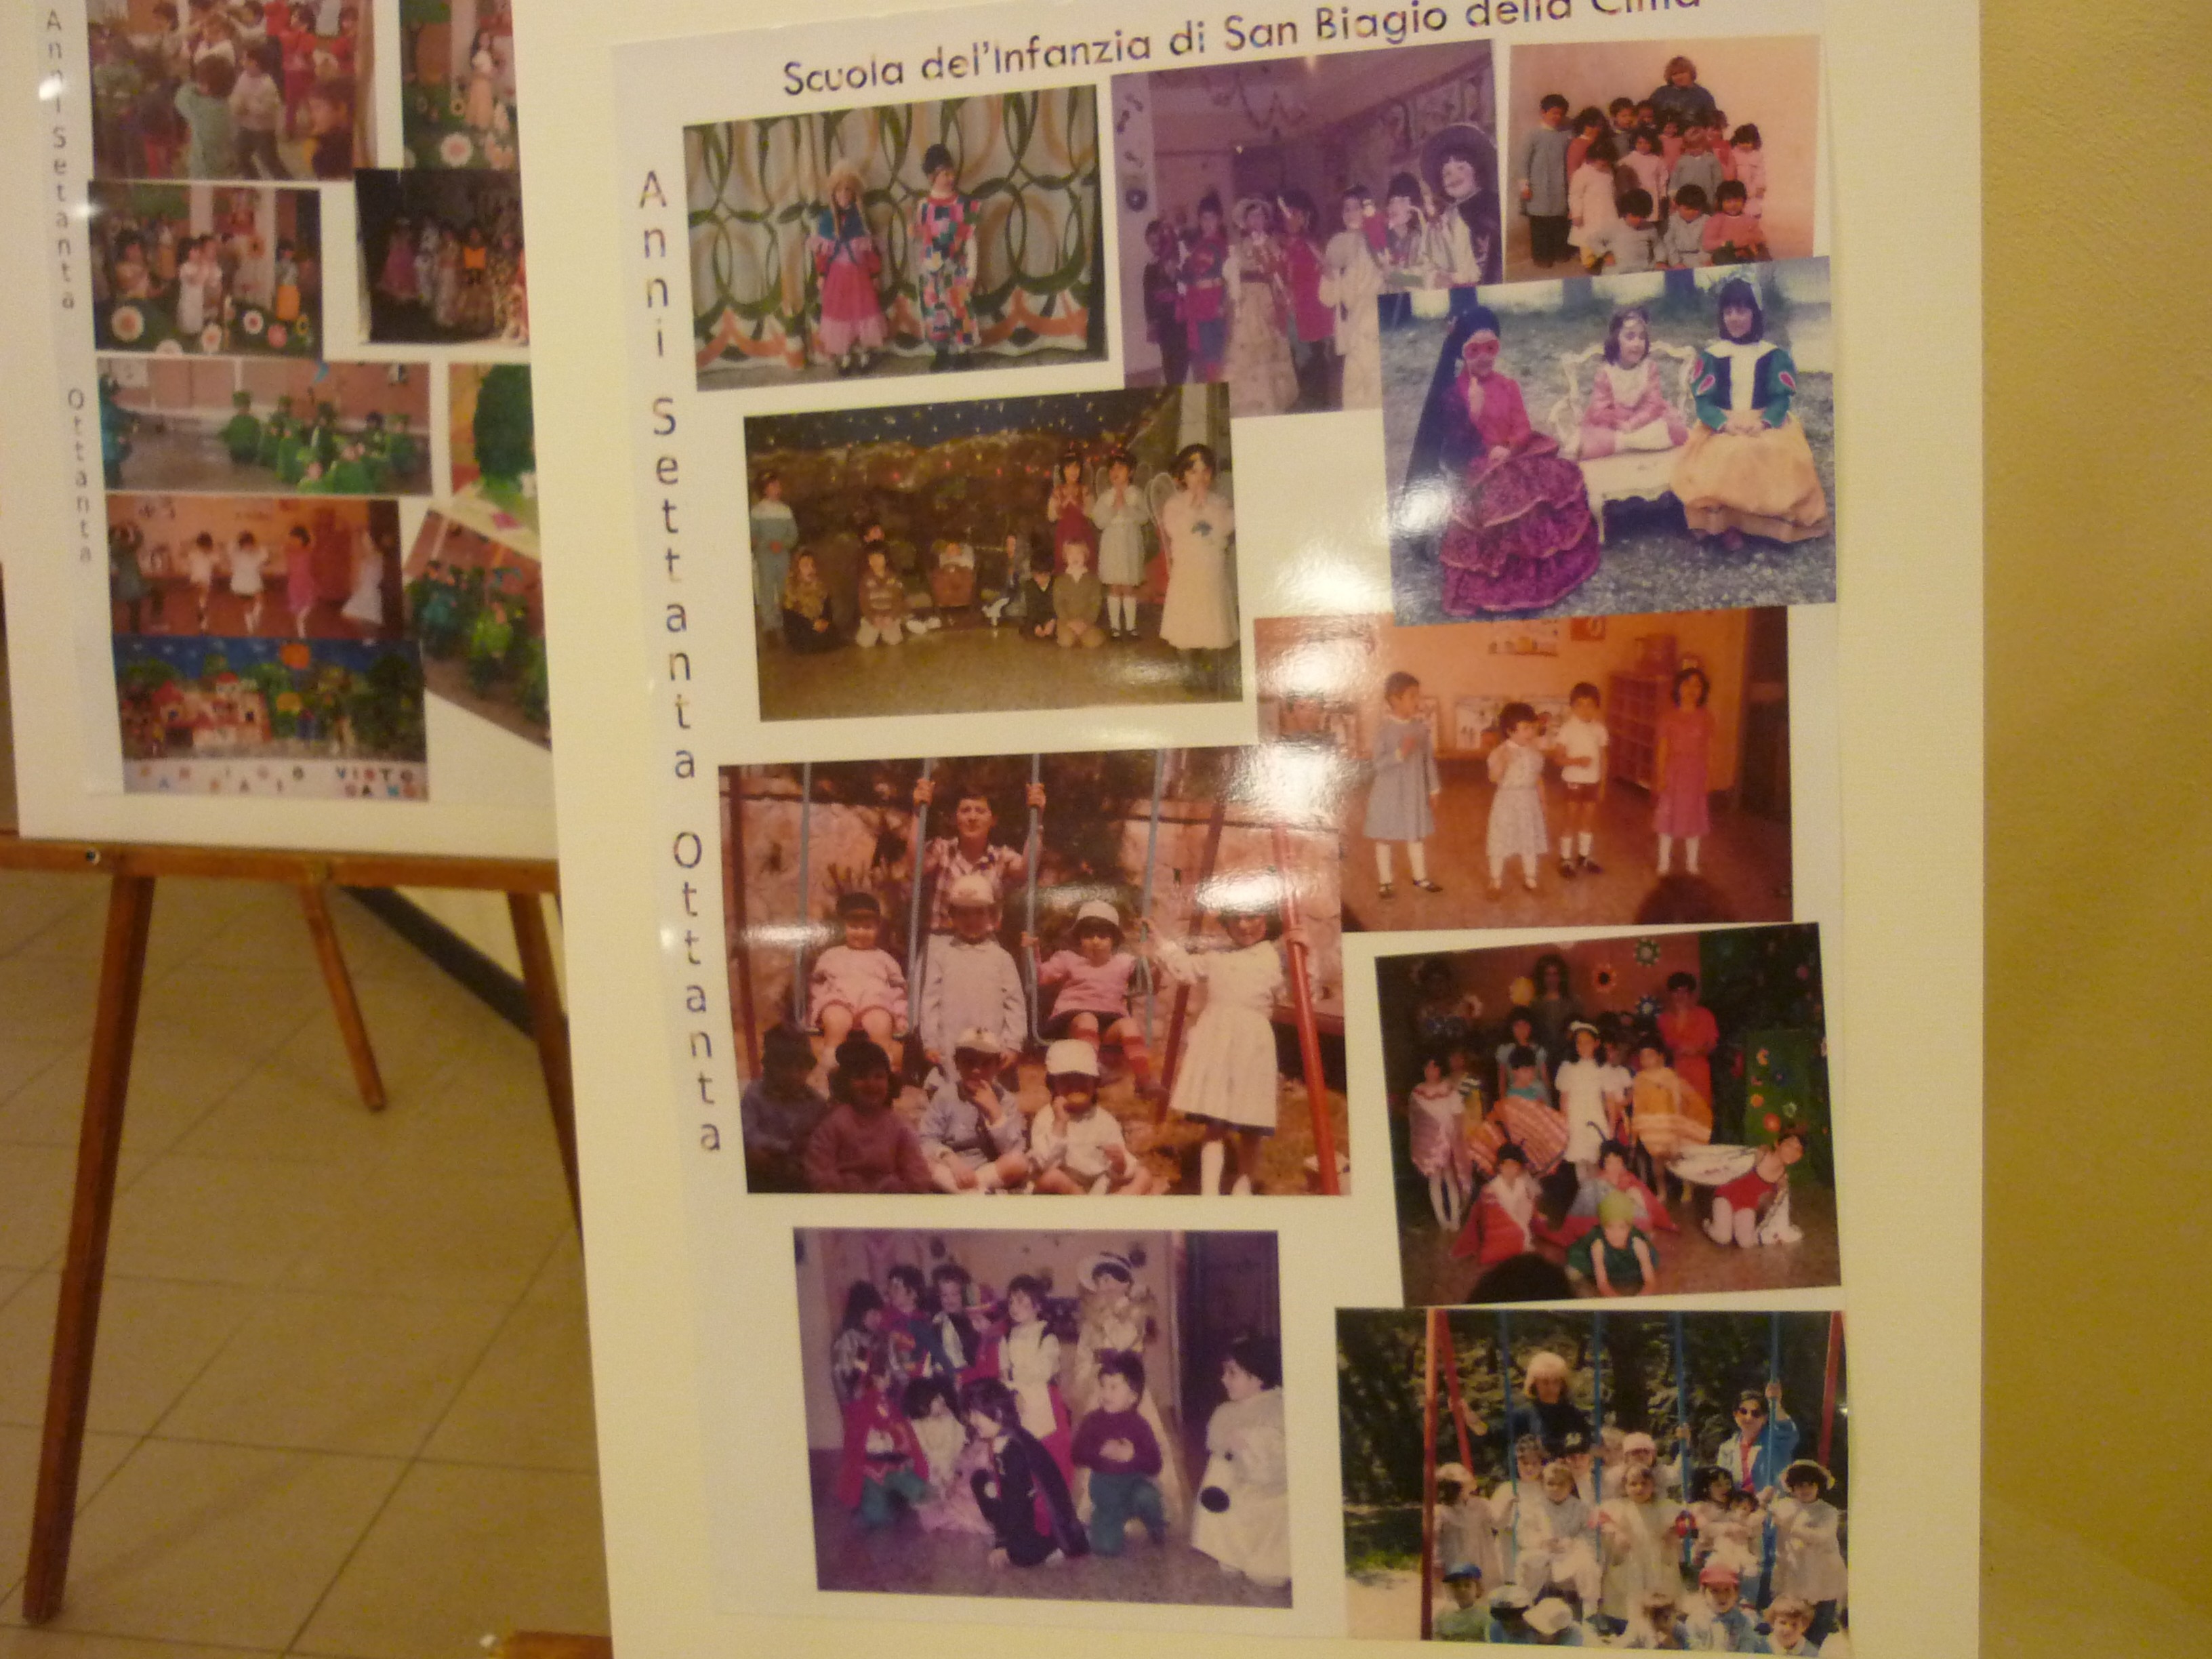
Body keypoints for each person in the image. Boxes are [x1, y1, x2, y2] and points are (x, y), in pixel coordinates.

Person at [1408, 307, 1600, 617]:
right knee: (1503, 501)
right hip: (1478, 465)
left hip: (1515, 456)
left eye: (1491, 348)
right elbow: (1456, 448)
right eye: (1474, 351)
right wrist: (1473, 411)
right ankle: (1505, 570)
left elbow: (1522, 425)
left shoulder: (1509, 386)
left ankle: (1539, 565)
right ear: (1461, 352)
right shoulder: (1454, 395)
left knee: (1548, 483)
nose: (1484, 357)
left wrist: (1510, 448)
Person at [1145, 885, 1292, 1196]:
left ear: (1267, 918)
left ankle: (1243, 1185)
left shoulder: (1275, 956)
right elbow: (1185, 968)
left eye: (1253, 917)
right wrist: (1161, 941)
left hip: (1253, 1044)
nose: (1244, 925)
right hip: (1219, 1042)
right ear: (1226, 923)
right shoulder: (1217, 957)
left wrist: (1302, 951)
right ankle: (1210, 1193)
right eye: (1236, 919)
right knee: (1216, 1121)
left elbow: (1299, 989)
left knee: (1251, 1124)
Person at [1190, 1334, 1289, 1588]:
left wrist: (1252, 1444)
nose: (1224, 1379)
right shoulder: (1225, 1412)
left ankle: (1269, 1560)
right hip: (1237, 1483)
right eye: (1224, 1372)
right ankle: (1230, 1550)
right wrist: (1230, 1450)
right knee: (1218, 1466)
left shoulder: (1278, 1408)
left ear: (1257, 1378)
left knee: (1266, 1570)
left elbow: (1281, 1456)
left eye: (1232, 1373)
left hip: (1273, 1486)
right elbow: (1218, 1447)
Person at [961, 1376, 1088, 1568]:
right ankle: (1009, 1537)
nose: (972, 1420)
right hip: (1022, 1507)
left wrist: (1006, 1546)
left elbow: (1019, 1503)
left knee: (1021, 1553)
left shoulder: (1013, 1449)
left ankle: (1051, 1547)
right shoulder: (1003, 1439)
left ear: (997, 1413)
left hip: (1041, 1519)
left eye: (976, 1414)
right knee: (980, 1479)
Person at [914, 873, 1025, 1075]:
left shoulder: (1002, 957)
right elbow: (930, 1001)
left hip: (990, 1037)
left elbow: (1014, 1003)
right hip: (951, 1038)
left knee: (986, 1083)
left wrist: (1013, 1043)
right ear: (952, 916)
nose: (972, 920)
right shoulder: (941, 955)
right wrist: (930, 1042)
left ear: (992, 916)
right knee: (952, 1082)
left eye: (979, 913)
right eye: (964, 913)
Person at [1035, 898, 1149, 1088]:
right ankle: (1091, 1069)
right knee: (1088, 1019)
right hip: (1074, 1020)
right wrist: (1033, 953)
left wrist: (1148, 954)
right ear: (1079, 939)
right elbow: (1041, 977)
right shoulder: (1068, 959)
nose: (1095, 941)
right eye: (1088, 936)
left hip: (1109, 1023)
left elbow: (1148, 980)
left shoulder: (1124, 962)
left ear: (1114, 940)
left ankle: (1144, 1079)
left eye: (1103, 936)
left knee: (1129, 1024)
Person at [800, 1037, 931, 1193]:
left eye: (879, 1076)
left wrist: (917, 1188)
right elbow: (820, 1163)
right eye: (861, 1077)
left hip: (887, 1196)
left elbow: (914, 1164)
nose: (871, 1084)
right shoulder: (835, 1121)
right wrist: (829, 1190)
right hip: (846, 1195)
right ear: (845, 1082)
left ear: (889, 1082)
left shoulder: (897, 1125)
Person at [909, 774, 1042, 928]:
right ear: (955, 819)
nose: (972, 817)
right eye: (965, 811)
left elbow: (1026, 869)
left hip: (986, 940)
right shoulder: (942, 849)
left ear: (993, 820)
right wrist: (918, 813)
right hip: (944, 938)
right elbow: (916, 865)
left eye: (980, 811)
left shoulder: (1001, 857)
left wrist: (1037, 819)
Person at [1030, 1039, 1160, 1195]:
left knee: (1143, 1175)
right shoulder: (1046, 1117)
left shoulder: (1104, 1120)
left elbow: (1118, 1167)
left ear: (1095, 1083)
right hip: (1063, 1185)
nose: (1075, 1086)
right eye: (1066, 1080)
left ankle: (1105, 1204)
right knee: (1052, 1178)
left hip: (1098, 1186)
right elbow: (1046, 1166)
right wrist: (1060, 1124)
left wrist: (1119, 1163)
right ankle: (1093, 1207)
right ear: (1052, 1085)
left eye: (1083, 1079)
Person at [1154, 441, 1237, 683]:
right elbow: (1174, 529)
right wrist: (1193, 509)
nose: (1200, 478)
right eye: (1193, 472)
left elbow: (1226, 527)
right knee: (1187, 618)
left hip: (1211, 569)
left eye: (1205, 471)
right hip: (1187, 570)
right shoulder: (1175, 504)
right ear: (1182, 476)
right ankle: (1188, 666)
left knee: (1210, 617)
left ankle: (1210, 666)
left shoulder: (1219, 503)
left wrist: (1207, 509)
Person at [1071, 1351, 1168, 1555]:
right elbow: (1076, 1454)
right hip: (1106, 1495)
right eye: (1103, 1386)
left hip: (1134, 1488)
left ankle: (1155, 1525)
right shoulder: (1092, 1421)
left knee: (1148, 1497)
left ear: (1133, 1396)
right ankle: (1105, 1520)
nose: (1106, 1393)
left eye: (1114, 1387)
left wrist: (1133, 1456)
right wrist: (1099, 1452)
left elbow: (1155, 1464)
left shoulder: (1140, 1425)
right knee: (1106, 1549)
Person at [916, 1028, 1029, 1193]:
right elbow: (927, 1139)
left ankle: (967, 1192)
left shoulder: (1005, 1100)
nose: (977, 1070)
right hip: (951, 1169)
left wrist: (995, 1113)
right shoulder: (945, 1095)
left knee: (1019, 1162)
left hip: (989, 1170)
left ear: (998, 1066)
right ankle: (977, 1194)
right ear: (957, 1063)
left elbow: (1013, 1150)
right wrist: (952, 1161)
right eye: (969, 1062)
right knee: (921, 1162)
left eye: (986, 1064)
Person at [1364, 670, 1443, 898]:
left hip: (1413, 791)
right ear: (1395, 699)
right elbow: (1378, 764)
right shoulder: (1384, 730)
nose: (1418, 701)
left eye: (1418, 695)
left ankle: (1420, 877)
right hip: (1388, 793)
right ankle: (1386, 881)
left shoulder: (1421, 729)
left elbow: (1428, 760)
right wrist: (1400, 753)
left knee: (1414, 832)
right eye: (1412, 696)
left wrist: (1434, 788)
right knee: (1384, 834)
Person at [807, 890, 906, 1067]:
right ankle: (831, 1062)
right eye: (854, 927)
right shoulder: (831, 955)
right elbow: (818, 986)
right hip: (839, 1000)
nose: (861, 933)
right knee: (836, 1021)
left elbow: (898, 990)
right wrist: (816, 1009)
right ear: (843, 927)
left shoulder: (884, 958)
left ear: (878, 928)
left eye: (868, 927)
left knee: (880, 1024)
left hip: (874, 1002)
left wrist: (901, 1017)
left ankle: (883, 1063)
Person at [998, 1275, 1077, 1492]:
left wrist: (1015, 1378)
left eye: (1021, 1301)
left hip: (1044, 1401)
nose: (1014, 1307)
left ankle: (1053, 1496)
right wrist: (1011, 1389)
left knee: (1048, 1449)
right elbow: (1004, 1372)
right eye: (1011, 1302)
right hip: (1015, 1400)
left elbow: (1043, 1371)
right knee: (1020, 1448)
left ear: (1038, 1306)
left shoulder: (1046, 1336)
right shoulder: (1007, 1337)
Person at [834, 1351, 930, 1528]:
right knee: (876, 1517)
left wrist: (898, 1442)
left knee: (920, 1490)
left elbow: (902, 1433)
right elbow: (857, 1443)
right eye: (885, 1376)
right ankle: (870, 1504)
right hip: (871, 1469)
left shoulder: (889, 1403)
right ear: (875, 1378)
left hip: (893, 1464)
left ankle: (892, 1496)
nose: (888, 1379)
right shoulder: (860, 1408)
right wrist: (884, 1437)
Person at [810, 161, 886, 375]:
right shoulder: (827, 220)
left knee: (861, 312)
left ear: (854, 193)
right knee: (841, 313)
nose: (843, 194)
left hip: (859, 275)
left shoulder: (860, 219)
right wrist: (822, 273)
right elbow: (823, 252)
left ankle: (863, 352)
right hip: (837, 276)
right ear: (833, 194)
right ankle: (844, 355)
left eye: (848, 190)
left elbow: (870, 251)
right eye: (839, 190)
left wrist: (875, 273)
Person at [1223, 197, 1296, 417]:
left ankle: (1270, 399)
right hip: (1247, 302)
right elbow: (1232, 275)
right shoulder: (1239, 247)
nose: (1257, 220)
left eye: (1260, 216)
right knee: (1247, 344)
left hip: (1267, 298)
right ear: (1245, 222)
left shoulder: (1273, 244)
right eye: (1252, 217)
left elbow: (1281, 272)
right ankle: (1247, 401)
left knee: (1269, 346)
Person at [913, 142, 979, 370]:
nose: (951, 178)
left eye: (952, 173)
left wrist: (972, 272)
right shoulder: (923, 206)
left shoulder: (963, 205)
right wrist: (915, 234)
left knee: (960, 309)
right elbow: (922, 238)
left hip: (956, 269)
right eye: (945, 174)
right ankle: (941, 351)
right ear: (932, 176)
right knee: (935, 310)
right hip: (931, 271)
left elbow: (970, 240)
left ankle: (963, 352)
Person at [1597, 1462, 1687, 1627]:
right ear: (1625, 1486)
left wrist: (1674, 1531)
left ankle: (1658, 1621)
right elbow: (1598, 1519)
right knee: (1628, 1588)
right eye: (1633, 1484)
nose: (1639, 1488)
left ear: (1653, 1486)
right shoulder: (1618, 1506)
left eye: (1644, 1484)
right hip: (1629, 1556)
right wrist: (1615, 1530)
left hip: (1656, 1555)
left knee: (1659, 1588)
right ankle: (1625, 1622)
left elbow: (1686, 1520)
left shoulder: (1663, 1505)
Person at [739, 1022, 826, 1191]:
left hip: (799, 1165)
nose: (793, 1075)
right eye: (784, 1067)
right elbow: (747, 1132)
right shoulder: (755, 1094)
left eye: (800, 1068)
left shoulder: (816, 1103)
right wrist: (784, 1146)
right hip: (766, 1160)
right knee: (754, 1158)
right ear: (770, 1067)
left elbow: (821, 1138)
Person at [1320, 186, 1385, 408]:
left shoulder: (1375, 241)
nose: (1350, 214)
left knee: (1374, 389)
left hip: (1371, 322)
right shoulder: (1337, 243)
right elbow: (1328, 298)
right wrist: (1329, 276)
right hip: (1350, 328)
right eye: (1346, 209)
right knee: (1353, 392)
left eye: (1355, 208)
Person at [907, 1376, 993, 1537]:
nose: (942, 1400)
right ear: (923, 1405)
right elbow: (924, 1457)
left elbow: (959, 1448)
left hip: (954, 1470)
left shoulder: (949, 1419)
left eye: (940, 1396)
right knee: (942, 1501)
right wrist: (942, 1479)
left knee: (971, 1486)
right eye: (936, 1399)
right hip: (934, 1476)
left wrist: (955, 1474)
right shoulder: (915, 1426)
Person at [1769, 1461, 1845, 1643]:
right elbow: (1764, 1510)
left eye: (1811, 1484)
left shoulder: (1828, 1511)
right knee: (1794, 1621)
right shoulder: (1785, 1507)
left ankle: (1817, 1645)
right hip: (1796, 1572)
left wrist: (1792, 1528)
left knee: (1820, 1625)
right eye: (1800, 1485)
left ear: (1819, 1486)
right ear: (1792, 1488)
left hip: (1822, 1573)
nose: (1805, 1490)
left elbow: (1822, 1537)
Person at [1274, 188, 1334, 409]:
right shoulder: (1281, 245)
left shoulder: (1313, 242)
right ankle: (1306, 398)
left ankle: (1320, 402)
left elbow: (1328, 271)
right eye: (1288, 213)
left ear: (1306, 216)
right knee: (1297, 357)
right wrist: (1283, 294)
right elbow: (1279, 276)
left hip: (1313, 308)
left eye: (1296, 214)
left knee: (1316, 355)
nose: (1291, 218)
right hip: (1293, 309)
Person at [1654, 668, 1717, 877]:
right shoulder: (1668, 717)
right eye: (1687, 684)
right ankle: (1664, 862)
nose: (1691, 689)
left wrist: (1709, 776)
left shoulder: (1706, 717)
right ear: (1678, 688)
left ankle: (1692, 863)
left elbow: (1710, 749)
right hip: (1674, 772)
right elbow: (1663, 749)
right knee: (1667, 817)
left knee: (1694, 818)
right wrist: (1661, 775)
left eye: (1697, 685)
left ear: (1703, 691)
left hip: (1696, 774)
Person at [1486, 702, 1553, 897]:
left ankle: (1531, 878)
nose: (1530, 732)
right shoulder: (1501, 752)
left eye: (1532, 727)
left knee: (1528, 839)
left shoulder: (1534, 752)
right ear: (1510, 731)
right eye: (1525, 728)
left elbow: (1538, 778)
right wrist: (1503, 762)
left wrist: (1543, 802)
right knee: (1500, 840)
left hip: (1529, 801)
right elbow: (1493, 778)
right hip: (1507, 802)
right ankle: (1495, 881)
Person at [1702, 1129, 1808, 1248]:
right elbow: (1731, 1162)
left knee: (1747, 1243)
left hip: (1747, 1206)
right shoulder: (1761, 1154)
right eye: (1789, 1145)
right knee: (1723, 1238)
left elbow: (1777, 1209)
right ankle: (1708, 1224)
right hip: (1726, 1196)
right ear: (1777, 1144)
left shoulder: (1782, 1179)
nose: (1793, 1151)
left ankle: (1729, 1223)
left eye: (1798, 1150)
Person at [1424, 123, 1502, 285]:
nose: (1454, 177)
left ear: (1476, 171)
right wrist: (1436, 276)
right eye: (1446, 173)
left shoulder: (1491, 206)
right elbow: (1433, 259)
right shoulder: (1445, 219)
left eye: (1461, 168)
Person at [1088, 451, 1151, 640]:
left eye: (1121, 468)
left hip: (1130, 543)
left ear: (1130, 472)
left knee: (1128, 585)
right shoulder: (1106, 496)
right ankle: (1115, 627)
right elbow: (1098, 520)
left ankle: (1131, 627)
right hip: (1112, 543)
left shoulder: (1136, 494)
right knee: (1114, 586)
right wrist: (1113, 507)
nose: (1115, 472)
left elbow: (1144, 517)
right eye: (1112, 469)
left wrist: (1126, 507)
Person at [1410, 1052, 1473, 1229]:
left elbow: (1458, 1113)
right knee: (1435, 1179)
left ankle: (1455, 1218)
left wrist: (1455, 1136)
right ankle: (1442, 1220)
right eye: (1428, 1067)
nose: (1431, 1071)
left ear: (1440, 1069)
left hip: (1448, 1140)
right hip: (1430, 1145)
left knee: (1450, 1178)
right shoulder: (1417, 1093)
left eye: (1435, 1067)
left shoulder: (1448, 1088)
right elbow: (1416, 1122)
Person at [1554, 1022, 1625, 1172]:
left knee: (1596, 1159)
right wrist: (1564, 1126)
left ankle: (1596, 1187)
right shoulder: (1568, 1068)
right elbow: (1564, 1101)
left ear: (1596, 1043)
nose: (1583, 1047)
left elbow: (1610, 1100)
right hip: (1575, 1119)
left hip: (1595, 1117)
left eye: (1587, 1042)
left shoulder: (1603, 1068)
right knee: (1580, 1162)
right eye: (1579, 1043)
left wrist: (1612, 1126)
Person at [1565, 1188, 1658, 1296]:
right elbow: (1603, 1284)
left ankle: (1645, 1236)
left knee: (1646, 1259)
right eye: (1610, 1227)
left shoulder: (1638, 1244)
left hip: (1630, 1263)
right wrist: (1616, 1299)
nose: (1616, 1234)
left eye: (1622, 1227)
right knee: (1573, 1272)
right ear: (1603, 1227)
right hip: (1601, 1261)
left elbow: (1650, 1281)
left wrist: (1641, 1297)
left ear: (1629, 1228)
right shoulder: (1598, 1245)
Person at [1179, 195, 1231, 384]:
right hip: (1198, 306)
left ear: (1219, 220)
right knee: (1204, 353)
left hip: (1215, 304)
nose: (1208, 223)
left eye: (1212, 218)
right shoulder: (1197, 247)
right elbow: (1191, 276)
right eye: (1204, 219)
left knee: (1217, 353)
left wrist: (1223, 302)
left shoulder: (1224, 247)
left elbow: (1229, 278)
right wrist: (1178, 273)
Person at [1715, 1382, 1799, 1497]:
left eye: (1756, 1413)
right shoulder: (1726, 1449)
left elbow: (1788, 1431)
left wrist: (1775, 1404)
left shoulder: (1776, 1440)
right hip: (1739, 1505)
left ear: (1765, 1418)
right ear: (1735, 1414)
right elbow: (1721, 1486)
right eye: (1743, 1412)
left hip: (1775, 1505)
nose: (1749, 1417)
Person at [1657, 970, 1720, 1105]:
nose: (1680, 996)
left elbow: (1713, 1045)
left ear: (1691, 994)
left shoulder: (1705, 1015)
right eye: (1676, 992)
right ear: (1670, 994)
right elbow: (1660, 1048)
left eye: (1684, 992)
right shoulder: (1664, 1019)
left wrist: (1696, 1051)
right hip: (1675, 1072)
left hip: (1699, 1071)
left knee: (1700, 1109)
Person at [747, 473, 798, 642]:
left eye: (779, 486)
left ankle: (785, 622)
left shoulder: (785, 511)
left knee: (785, 588)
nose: (778, 489)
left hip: (782, 556)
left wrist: (783, 544)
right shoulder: (757, 511)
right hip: (765, 556)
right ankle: (770, 627)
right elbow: (752, 536)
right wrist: (766, 544)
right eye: (774, 486)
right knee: (767, 589)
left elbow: (793, 535)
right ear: (765, 489)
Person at [1141, 220, 1189, 385]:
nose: (1155, 247)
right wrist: (1151, 322)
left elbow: (1184, 284)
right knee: (1168, 358)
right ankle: (1172, 385)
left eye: (1158, 242)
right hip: (1163, 321)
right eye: (1151, 243)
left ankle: (1180, 381)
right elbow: (1148, 297)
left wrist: (1174, 273)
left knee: (1183, 356)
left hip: (1181, 317)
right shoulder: (1150, 268)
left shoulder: (1177, 261)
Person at [1683, 1561, 1768, 1651]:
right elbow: (1693, 1649)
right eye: (1715, 1591)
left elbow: (1747, 1649)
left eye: (1727, 1590)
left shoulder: (1744, 1622)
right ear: (1703, 1593)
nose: (1722, 1597)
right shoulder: (1695, 1622)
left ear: (1736, 1593)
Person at [1567, 133, 1620, 274]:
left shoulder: (1608, 171)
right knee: (1588, 238)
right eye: (1600, 161)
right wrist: (1577, 213)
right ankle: (1589, 263)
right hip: (1589, 213)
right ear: (1591, 158)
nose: (1603, 164)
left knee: (1607, 235)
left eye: (1607, 161)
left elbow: (1612, 189)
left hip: (1607, 209)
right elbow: (1575, 195)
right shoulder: (1582, 173)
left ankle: (1604, 258)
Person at [854, 541, 916, 647]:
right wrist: (873, 618)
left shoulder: (894, 578)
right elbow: (863, 603)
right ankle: (874, 632)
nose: (875, 561)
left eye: (879, 557)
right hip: (874, 616)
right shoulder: (865, 579)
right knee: (865, 643)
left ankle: (897, 626)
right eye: (871, 558)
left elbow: (899, 601)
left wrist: (891, 617)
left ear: (886, 559)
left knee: (894, 641)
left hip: (889, 616)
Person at [779, 549, 839, 653]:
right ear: (797, 569)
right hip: (801, 633)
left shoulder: (822, 588)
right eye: (806, 566)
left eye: (813, 566)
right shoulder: (790, 591)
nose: (811, 570)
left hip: (820, 631)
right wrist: (812, 624)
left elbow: (828, 614)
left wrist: (824, 622)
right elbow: (792, 622)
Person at [1052, 537, 1106, 649]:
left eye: (1079, 553)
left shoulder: (1093, 580)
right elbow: (1058, 604)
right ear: (1065, 557)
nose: (1075, 557)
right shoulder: (1060, 581)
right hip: (1067, 621)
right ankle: (1072, 635)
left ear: (1086, 556)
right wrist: (1068, 621)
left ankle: (1084, 635)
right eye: (1071, 554)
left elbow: (1095, 604)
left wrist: (1086, 622)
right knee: (1066, 642)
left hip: (1086, 621)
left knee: (1093, 643)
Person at [1666, 121, 1725, 223]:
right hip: (1685, 199)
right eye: (1690, 147)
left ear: (1704, 145)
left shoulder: (1711, 160)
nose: (1693, 150)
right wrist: (1673, 197)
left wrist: (1718, 198)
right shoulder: (1682, 161)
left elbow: (1718, 180)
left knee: (1704, 222)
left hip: (1707, 200)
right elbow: (1675, 180)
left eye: (1697, 147)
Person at [1649, 56, 1719, 140]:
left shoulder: (1703, 95)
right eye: (1675, 74)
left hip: (1693, 142)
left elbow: (1712, 123)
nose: (1679, 77)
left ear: (1691, 73)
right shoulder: (1661, 93)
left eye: (1682, 72)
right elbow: (1648, 118)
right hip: (1664, 141)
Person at [1592, 188, 1660, 273]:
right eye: (1634, 216)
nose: (1638, 220)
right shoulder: (1614, 227)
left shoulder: (1649, 228)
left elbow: (1658, 245)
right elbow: (1593, 240)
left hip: (1642, 270)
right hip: (1618, 270)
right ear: (1625, 213)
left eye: (1642, 217)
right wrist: (1605, 254)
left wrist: (1660, 261)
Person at [1703, 180, 1769, 264]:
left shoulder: (1750, 220)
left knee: (1762, 250)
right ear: (1720, 203)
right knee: (1721, 254)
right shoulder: (1716, 220)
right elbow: (1708, 244)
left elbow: (1760, 238)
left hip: (1746, 253)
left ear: (1744, 201)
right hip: (1726, 253)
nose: (1733, 205)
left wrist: (1748, 241)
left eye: (1737, 201)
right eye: (1728, 201)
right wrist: (1731, 244)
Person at [1659, 184, 1713, 268]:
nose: (1691, 213)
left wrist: (1706, 259)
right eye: (1687, 209)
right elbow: (1669, 243)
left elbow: (1706, 243)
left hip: (1700, 259)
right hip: (1678, 259)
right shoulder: (1672, 221)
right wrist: (1676, 263)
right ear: (1677, 206)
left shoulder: (1706, 220)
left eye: (1696, 209)